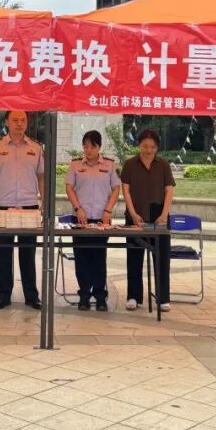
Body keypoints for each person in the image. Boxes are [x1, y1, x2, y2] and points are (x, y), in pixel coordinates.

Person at [0, 110, 44, 310]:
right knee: (4, 253)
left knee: (28, 253)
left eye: (23, 120)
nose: (19, 123)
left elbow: (42, 177)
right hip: (3, 206)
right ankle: (3, 296)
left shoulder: (36, 148)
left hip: (29, 207)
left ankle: (31, 296)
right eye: (15, 120)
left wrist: (44, 203)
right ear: (7, 122)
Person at [65, 130, 121, 311]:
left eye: (92, 146)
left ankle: (100, 296)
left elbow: (116, 188)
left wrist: (108, 210)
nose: (88, 150)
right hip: (80, 219)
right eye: (85, 146)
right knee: (81, 258)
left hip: (101, 219)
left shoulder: (109, 165)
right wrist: (78, 208)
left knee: (98, 258)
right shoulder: (75, 164)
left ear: (99, 147)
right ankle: (84, 296)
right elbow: (69, 187)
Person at [120, 128, 174, 312]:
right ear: (139, 146)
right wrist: (133, 214)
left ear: (157, 147)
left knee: (162, 258)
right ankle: (133, 296)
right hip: (136, 214)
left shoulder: (163, 165)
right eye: (145, 146)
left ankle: (163, 298)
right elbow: (126, 190)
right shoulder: (130, 164)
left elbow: (169, 190)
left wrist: (164, 214)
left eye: (152, 147)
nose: (148, 150)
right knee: (134, 257)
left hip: (159, 214)